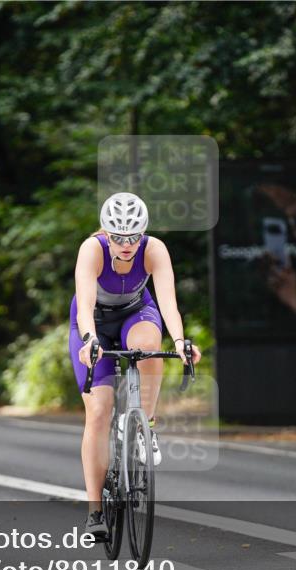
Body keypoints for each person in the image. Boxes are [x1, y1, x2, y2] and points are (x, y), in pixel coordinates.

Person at [69, 192, 201, 537]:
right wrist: (89, 341)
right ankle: (95, 511)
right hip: (93, 322)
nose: (126, 245)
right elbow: (84, 305)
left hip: (134, 313)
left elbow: (168, 303)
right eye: (117, 237)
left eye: (133, 236)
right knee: (99, 410)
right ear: (106, 232)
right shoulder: (92, 249)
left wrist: (181, 342)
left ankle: (146, 423)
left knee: (149, 347)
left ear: (143, 232)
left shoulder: (154, 249)